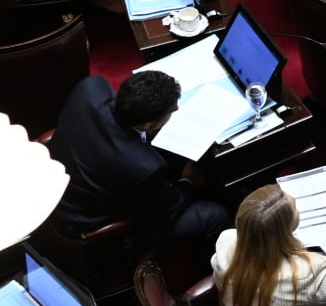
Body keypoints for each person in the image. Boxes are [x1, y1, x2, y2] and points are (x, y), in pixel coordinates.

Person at [47, 66, 228, 259]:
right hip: (85, 221)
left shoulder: (90, 88)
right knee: (214, 214)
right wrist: (189, 182)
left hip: (57, 185)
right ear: (148, 125)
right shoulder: (145, 167)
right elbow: (170, 208)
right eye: (171, 112)